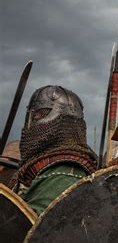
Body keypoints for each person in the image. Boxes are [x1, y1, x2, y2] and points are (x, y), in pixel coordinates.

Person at [9, 85, 97, 214]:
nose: (31, 125)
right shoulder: (44, 167)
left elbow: (30, 226)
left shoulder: (63, 171)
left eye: (39, 116)